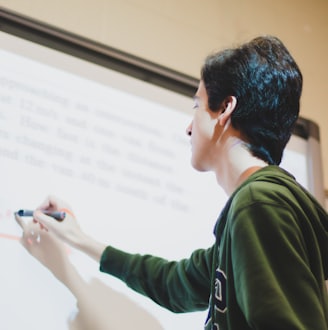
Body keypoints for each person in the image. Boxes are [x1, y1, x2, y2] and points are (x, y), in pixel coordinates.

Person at [15, 35, 328, 329]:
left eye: (197, 106)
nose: (189, 128)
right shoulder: (258, 208)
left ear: (224, 109)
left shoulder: (258, 205)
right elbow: (174, 284)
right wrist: (80, 239)